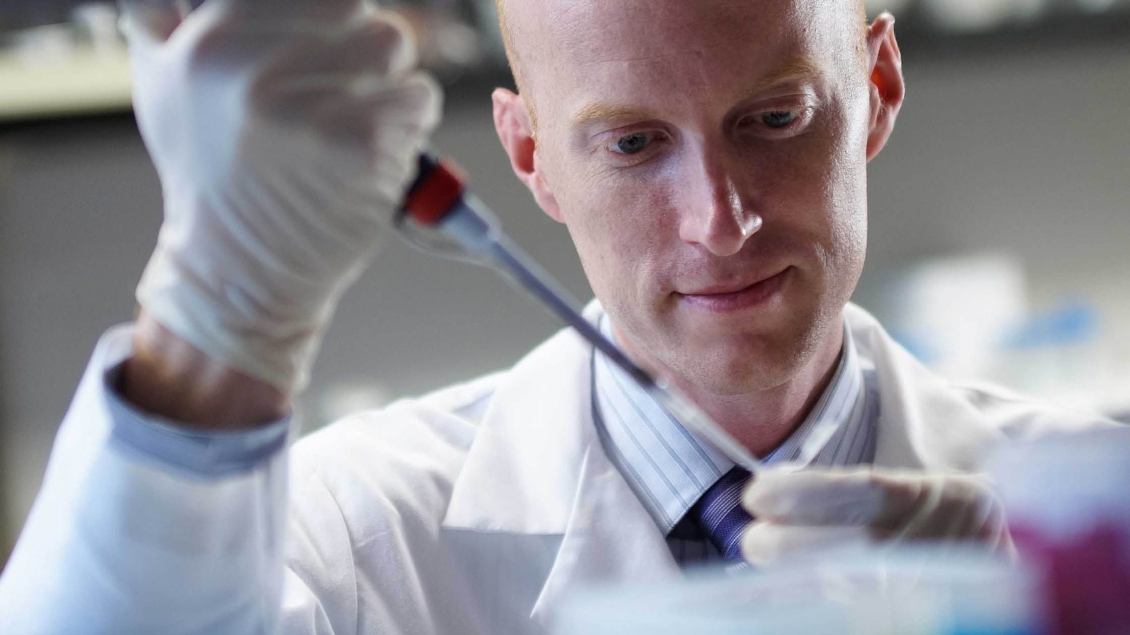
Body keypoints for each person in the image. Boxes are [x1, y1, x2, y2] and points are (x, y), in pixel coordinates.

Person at [0, 0, 1113, 633]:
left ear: (873, 86)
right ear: (528, 153)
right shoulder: (360, 541)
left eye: (773, 117)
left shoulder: (1087, 495)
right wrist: (211, 322)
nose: (717, 223)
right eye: (631, 144)